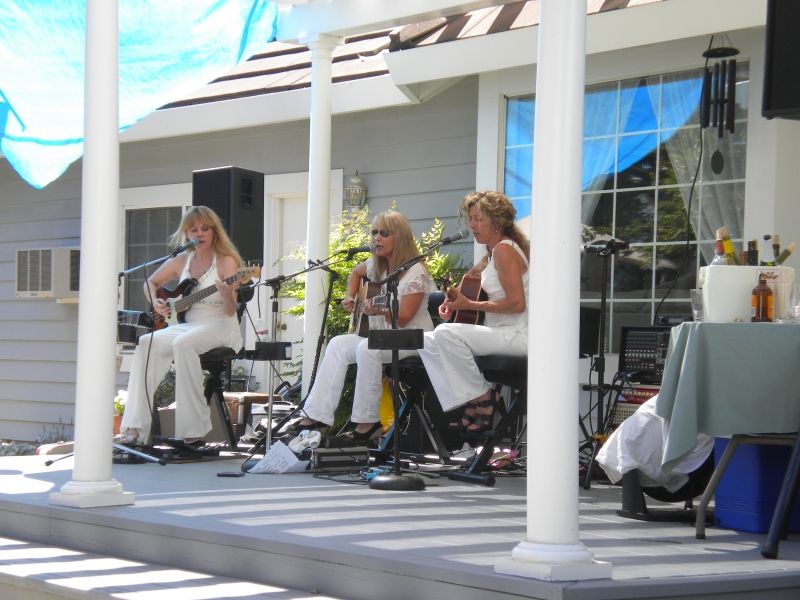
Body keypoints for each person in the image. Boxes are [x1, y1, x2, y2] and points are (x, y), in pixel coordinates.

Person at [285, 209, 435, 443]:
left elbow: (404, 317)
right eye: (374, 233)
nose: (377, 238)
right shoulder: (378, 265)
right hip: (383, 336)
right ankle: (316, 416)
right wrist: (351, 296)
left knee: (367, 348)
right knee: (337, 344)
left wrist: (377, 310)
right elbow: (355, 273)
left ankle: (367, 423)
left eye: (384, 233)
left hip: (412, 338)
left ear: (400, 237)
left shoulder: (416, 272)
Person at [118, 206, 245, 446]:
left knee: (183, 343)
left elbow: (230, 311)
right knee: (146, 342)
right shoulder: (182, 259)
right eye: (194, 229)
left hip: (220, 324)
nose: (200, 233)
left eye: (205, 228)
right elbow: (151, 282)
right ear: (186, 234)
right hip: (188, 324)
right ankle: (134, 428)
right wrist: (156, 302)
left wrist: (228, 294)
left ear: (214, 231)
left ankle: (192, 432)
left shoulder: (226, 261)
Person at [418, 190, 529, 434]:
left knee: (445, 332)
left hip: (518, 334)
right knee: (425, 341)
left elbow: (517, 304)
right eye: (470, 219)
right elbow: (470, 285)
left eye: (478, 219)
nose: (471, 225)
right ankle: (475, 398)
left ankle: (483, 399)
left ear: (496, 221)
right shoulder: (492, 253)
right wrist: (452, 301)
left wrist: (469, 305)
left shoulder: (504, 250)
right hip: (499, 332)